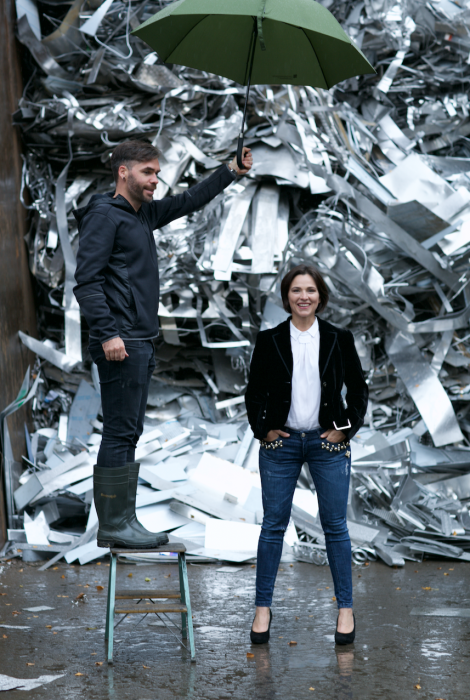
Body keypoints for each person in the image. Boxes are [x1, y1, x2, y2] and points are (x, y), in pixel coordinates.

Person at [73, 139, 253, 549]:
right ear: (123, 172)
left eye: (157, 172)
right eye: (148, 172)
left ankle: (124, 520)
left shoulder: (141, 214)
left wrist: (231, 170)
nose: (156, 179)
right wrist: (108, 334)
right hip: (121, 342)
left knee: (128, 432)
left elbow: (190, 200)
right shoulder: (105, 216)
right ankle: (115, 524)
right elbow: (86, 282)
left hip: (139, 339)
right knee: (119, 433)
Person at [245, 264, 368, 645]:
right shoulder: (269, 340)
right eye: (296, 290)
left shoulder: (338, 338)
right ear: (287, 297)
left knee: (335, 527)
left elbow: (358, 390)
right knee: (272, 526)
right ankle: (262, 608)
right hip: (280, 445)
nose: (304, 297)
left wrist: (345, 428)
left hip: (326, 443)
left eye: (310, 290)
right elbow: (254, 391)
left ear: (320, 296)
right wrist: (264, 429)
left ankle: (345, 609)